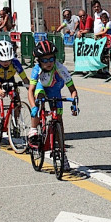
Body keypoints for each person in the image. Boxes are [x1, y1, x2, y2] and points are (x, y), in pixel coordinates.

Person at [27, 40, 79, 170]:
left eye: (51, 59)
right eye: (45, 60)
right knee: (40, 99)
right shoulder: (36, 69)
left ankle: (62, 153)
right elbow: (30, 91)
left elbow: (72, 90)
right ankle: (34, 129)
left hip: (55, 89)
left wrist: (74, 104)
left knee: (59, 121)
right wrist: (33, 107)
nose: (49, 62)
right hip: (41, 88)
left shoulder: (60, 67)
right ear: (39, 61)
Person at [0, 40, 29, 125]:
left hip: (10, 78)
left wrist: (30, 89)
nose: (6, 62)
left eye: (8, 60)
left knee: (16, 96)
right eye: (2, 60)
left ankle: (15, 121)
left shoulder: (15, 62)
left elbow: (24, 78)